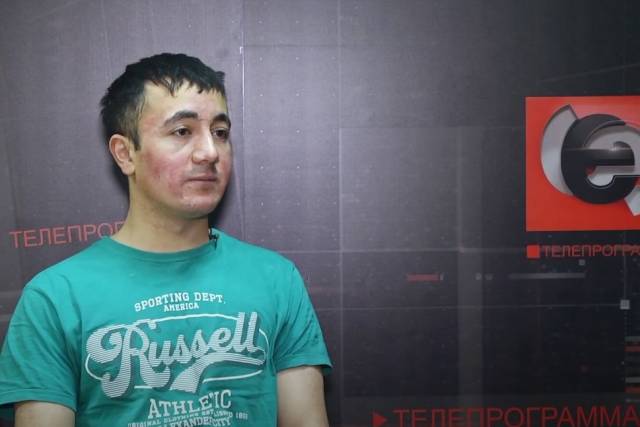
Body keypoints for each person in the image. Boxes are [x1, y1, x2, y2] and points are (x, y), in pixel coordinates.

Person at [0, 53, 332, 427]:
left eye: (220, 132)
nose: (210, 152)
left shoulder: (276, 279)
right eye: (182, 131)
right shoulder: (55, 298)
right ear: (125, 153)